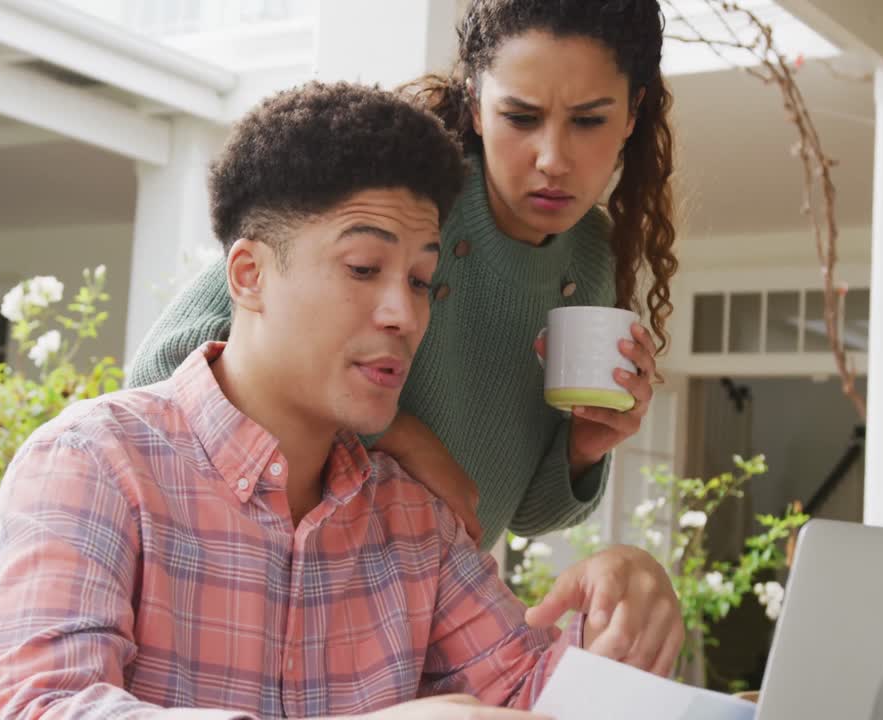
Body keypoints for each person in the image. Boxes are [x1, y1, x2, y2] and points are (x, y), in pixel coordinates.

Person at [0, 82, 684, 720]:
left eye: (419, 281)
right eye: (364, 268)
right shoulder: (93, 464)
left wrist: (621, 606)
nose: (403, 315)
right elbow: (37, 707)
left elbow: (535, 696)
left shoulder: (413, 520)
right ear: (248, 276)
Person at [127, 0, 679, 550]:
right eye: (521, 117)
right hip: (286, 568)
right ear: (476, 104)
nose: (553, 158)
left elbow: (521, 515)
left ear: (632, 113)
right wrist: (401, 436)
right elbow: (161, 369)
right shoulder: (401, 201)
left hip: (424, 606)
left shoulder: (593, 258)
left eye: (588, 120)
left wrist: (584, 446)